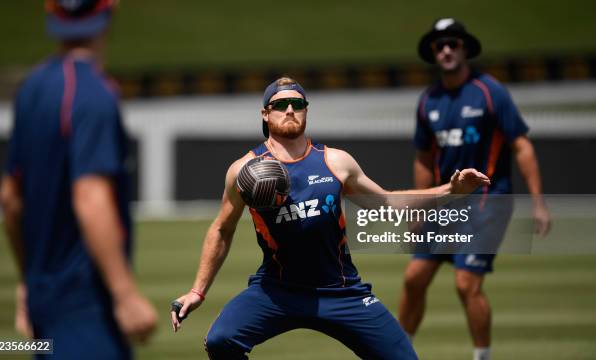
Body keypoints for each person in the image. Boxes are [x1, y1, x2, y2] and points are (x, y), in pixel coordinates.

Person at [170, 76, 490, 359]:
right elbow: (222, 229)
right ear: (265, 114)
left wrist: (452, 189)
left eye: (298, 103)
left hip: (340, 291)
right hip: (277, 290)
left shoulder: (336, 162)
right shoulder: (244, 171)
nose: (290, 109)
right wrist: (198, 291)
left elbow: (388, 204)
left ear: (307, 110)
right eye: (280, 105)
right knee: (221, 341)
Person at [0, 0, 157, 358]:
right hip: (86, 307)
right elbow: (90, 198)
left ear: (51, 8)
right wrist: (125, 295)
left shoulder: (32, 87)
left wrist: (28, 283)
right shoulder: (94, 95)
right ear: (111, 3)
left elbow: (10, 200)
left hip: (44, 304)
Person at [398, 18, 551, 360]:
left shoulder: (490, 92)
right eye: (440, 46)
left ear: (465, 48)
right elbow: (424, 158)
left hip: (487, 202)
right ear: (434, 54)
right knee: (413, 278)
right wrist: (418, 207)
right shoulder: (429, 100)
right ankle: (398, 353)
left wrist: (538, 202)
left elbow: (521, 145)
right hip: (445, 204)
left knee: (466, 284)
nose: (447, 50)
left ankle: (482, 357)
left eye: (453, 43)